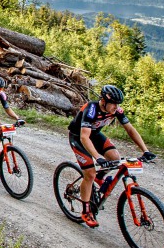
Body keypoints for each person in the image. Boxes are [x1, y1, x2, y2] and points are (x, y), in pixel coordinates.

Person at [67, 84, 156, 228]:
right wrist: (97, 157)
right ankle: (86, 211)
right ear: (103, 101)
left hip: (94, 135)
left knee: (115, 158)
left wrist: (145, 150)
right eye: (113, 103)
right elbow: (84, 137)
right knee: (89, 172)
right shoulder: (91, 110)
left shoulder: (116, 111)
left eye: (118, 104)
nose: (116, 107)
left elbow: (130, 129)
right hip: (78, 137)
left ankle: (99, 178)